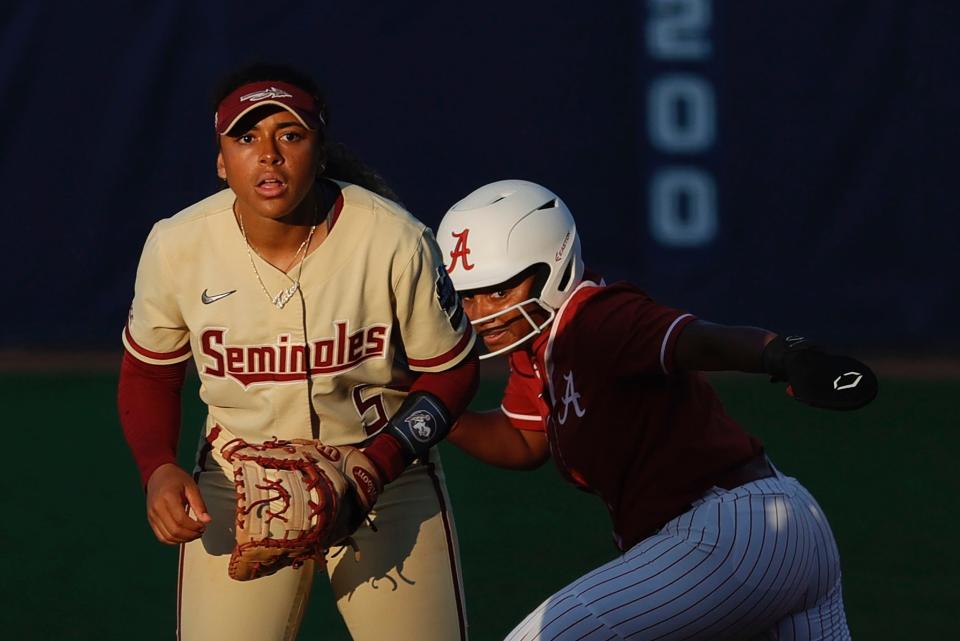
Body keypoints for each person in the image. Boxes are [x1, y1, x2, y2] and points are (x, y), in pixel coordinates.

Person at [117, 62, 478, 641]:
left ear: (319, 148)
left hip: (385, 475)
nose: (268, 153)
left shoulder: (394, 239)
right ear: (220, 160)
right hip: (238, 480)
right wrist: (157, 466)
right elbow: (149, 374)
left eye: (289, 134)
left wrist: (378, 464)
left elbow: (453, 373)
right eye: (245, 136)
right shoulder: (177, 245)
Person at [437, 179, 876, 641]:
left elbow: (695, 340)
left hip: (730, 531)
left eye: (499, 290)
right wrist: (438, 409)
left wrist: (781, 354)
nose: (481, 310)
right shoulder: (539, 345)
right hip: (781, 526)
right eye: (469, 294)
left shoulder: (595, 318)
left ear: (554, 265)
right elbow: (524, 439)